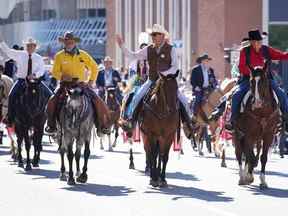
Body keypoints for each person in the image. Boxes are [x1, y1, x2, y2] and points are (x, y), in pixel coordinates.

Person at [116, 24, 194, 138]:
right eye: (152, 35)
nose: (152, 37)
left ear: (162, 36)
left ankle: (188, 124)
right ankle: (130, 122)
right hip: (151, 81)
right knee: (137, 97)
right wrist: (122, 46)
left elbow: (175, 67)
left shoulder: (171, 49)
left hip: (168, 82)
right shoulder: (148, 49)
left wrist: (164, 74)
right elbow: (133, 55)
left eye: (155, 34)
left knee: (183, 99)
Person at [45, 31, 111, 134]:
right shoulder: (59, 56)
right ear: (64, 42)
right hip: (65, 85)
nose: (69, 43)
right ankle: (51, 125)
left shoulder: (83, 55)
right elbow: (54, 71)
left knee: (98, 101)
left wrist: (91, 81)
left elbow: (94, 67)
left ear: (74, 42)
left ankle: (102, 125)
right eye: (67, 41)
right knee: (52, 100)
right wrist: (62, 76)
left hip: (80, 84)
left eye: (71, 41)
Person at [224, 29, 288, 131]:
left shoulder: (266, 50)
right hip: (249, 79)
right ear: (252, 42)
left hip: (266, 79)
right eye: (257, 42)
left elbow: (281, 55)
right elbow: (241, 67)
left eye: (260, 41)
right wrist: (254, 71)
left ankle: (286, 118)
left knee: (281, 93)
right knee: (236, 95)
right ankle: (233, 120)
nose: (259, 44)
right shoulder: (244, 51)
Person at [0, 35, 53, 127]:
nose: (30, 47)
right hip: (21, 81)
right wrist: (1, 42)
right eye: (28, 45)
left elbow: (42, 70)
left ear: (35, 47)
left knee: (50, 95)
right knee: (11, 95)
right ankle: (10, 117)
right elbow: (8, 52)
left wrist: (34, 75)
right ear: (25, 46)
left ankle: (50, 120)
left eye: (32, 46)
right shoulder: (20, 54)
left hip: (36, 82)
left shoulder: (38, 58)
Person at [190, 53, 218, 122]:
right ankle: (194, 115)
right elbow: (192, 80)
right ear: (202, 61)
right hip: (199, 89)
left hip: (209, 89)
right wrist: (196, 87)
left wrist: (214, 84)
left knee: (217, 98)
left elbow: (214, 80)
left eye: (208, 61)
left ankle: (217, 114)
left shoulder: (210, 70)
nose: (207, 62)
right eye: (206, 60)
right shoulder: (195, 69)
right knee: (198, 99)